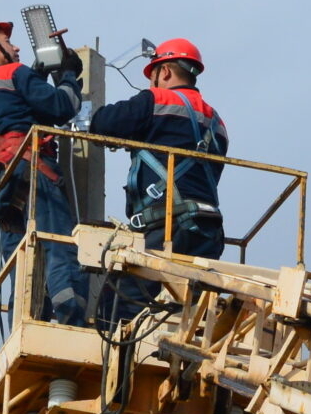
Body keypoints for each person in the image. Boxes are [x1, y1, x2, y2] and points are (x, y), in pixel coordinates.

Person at [0, 14, 87, 323]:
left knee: (22, 259)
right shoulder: (14, 72)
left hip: (4, 190)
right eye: (7, 42)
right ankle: (72, 317)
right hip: (34, 172)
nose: (16, 48)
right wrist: (69, 75)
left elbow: (13, 112)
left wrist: (36, 76)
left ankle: (24, 322)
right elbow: (62, 107)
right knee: (57, 243)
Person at [83, 37, 228, 258]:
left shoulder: (157, 99)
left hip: (167, 228)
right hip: (209, 232)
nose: (151, 84)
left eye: (153, 77)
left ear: (165, 72)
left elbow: (104, 124)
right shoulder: (217, 123)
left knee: (118, 281)